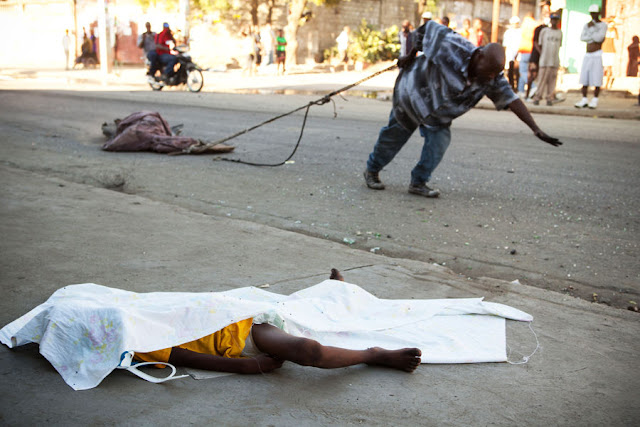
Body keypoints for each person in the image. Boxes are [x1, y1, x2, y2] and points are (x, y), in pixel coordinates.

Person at [363, 20, 561, 198]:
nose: (492, 77)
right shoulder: (452, 45)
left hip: (438, 115)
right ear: (480, 55)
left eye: (496, 73)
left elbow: (513, 100)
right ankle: (372, 170)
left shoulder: (492, 79)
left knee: (439, 142)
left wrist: (535, 128)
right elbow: (426, 29)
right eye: (489, 71)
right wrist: (409, 55)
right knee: (394, 135)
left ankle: (418, 182)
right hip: (412, 94)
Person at [134, 269, 422, 374]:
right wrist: (243, 365)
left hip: (236, 317)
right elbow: (175, 354)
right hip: (237, 333)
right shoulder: (120, 339)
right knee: (310, 340)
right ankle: (373, 354)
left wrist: (243, 366)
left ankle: (336, 291)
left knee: (305, 313)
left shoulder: (119, 316)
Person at [575, 4, 607, 109]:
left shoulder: (603, 25)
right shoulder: (587, 25)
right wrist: (592, 36)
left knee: (596, 77)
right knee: (585, 77)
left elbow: (599, 38)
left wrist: (591, 34)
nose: (593, 15)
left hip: (597, 54)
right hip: (587, 54)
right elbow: (582, 37)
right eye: (591, 13)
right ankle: (584, 99)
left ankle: (595, 100)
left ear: (598, 13)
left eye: (595, 13)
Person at [532, 13, 563, 106]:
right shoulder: (545, 31)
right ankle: (537, 97)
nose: (554, 21)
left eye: (556, 20)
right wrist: (542, 53)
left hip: (554, 60)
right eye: (553, 19)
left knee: (552, 80)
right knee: (541, 80)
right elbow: (538, 43)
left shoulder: (559, 32)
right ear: (550, 20)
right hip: (545, 60)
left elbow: (559, 45)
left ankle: (549, 98)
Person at [526, 17, 550, 100]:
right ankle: (527, 95)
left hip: (543, 56)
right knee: (532, 75)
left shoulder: (549, 30)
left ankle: (537, 93)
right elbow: (535, 42)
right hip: (535, 56)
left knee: (541, 75)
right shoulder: (538, 29)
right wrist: (541, 52)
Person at [517, 13, 537, 97]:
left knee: (523, 71)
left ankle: (533, 86)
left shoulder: (525, 24)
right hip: (532, 51)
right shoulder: (535, 24)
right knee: (525, 71)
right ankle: (520, 90)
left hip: (525, 50)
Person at [502, 16, 521, 92]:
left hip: (519, 53)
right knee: (510, 70)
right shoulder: (508, 32)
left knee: (517, 71)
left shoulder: (520, 32)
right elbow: (505, 45)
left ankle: (517, 87)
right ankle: (511, 86)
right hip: (510, 53)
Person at [602, 19, 618, 89]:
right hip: (604, 50)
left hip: (611, 51)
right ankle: (600, 84)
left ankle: (607, 84)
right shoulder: (604, 29)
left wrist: (614, 28)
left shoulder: (614, 31)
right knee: (602, 68)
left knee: (609, 68)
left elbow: (617, 37)